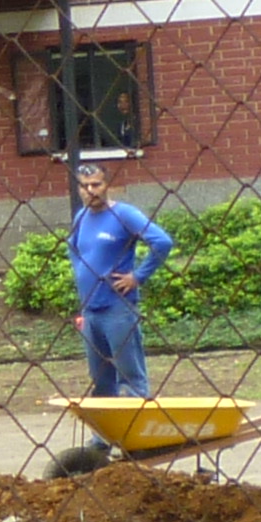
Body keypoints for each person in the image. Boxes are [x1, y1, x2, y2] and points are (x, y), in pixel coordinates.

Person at [66, 160, 174, 400]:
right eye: (84, 186)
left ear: (107, 185)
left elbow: (162, 242)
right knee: (100, 380)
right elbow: (72, 248)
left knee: (130, 377)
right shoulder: (81, 216)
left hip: (118, 308)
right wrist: (82, 278)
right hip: (90, 311)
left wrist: (138, 276)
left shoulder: (125, 214)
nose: (90, 191)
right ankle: (105, 425)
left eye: (96, 184)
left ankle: (135, 419)